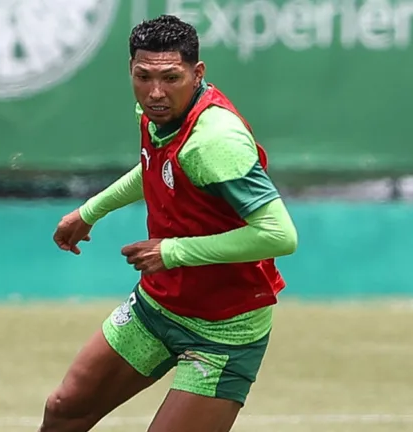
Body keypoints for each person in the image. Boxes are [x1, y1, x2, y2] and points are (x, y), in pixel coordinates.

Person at [44, 14, 298, 432]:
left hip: (224, 331)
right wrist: (90, 211)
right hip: (157, 306)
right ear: (131, 70)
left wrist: (173, 251)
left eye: (170, 78)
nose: (155, 92)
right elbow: (157, 168)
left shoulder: (215, 141)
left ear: (197, 74)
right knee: (64, 410)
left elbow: (279, 235)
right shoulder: (156, 112)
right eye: (143, 77)